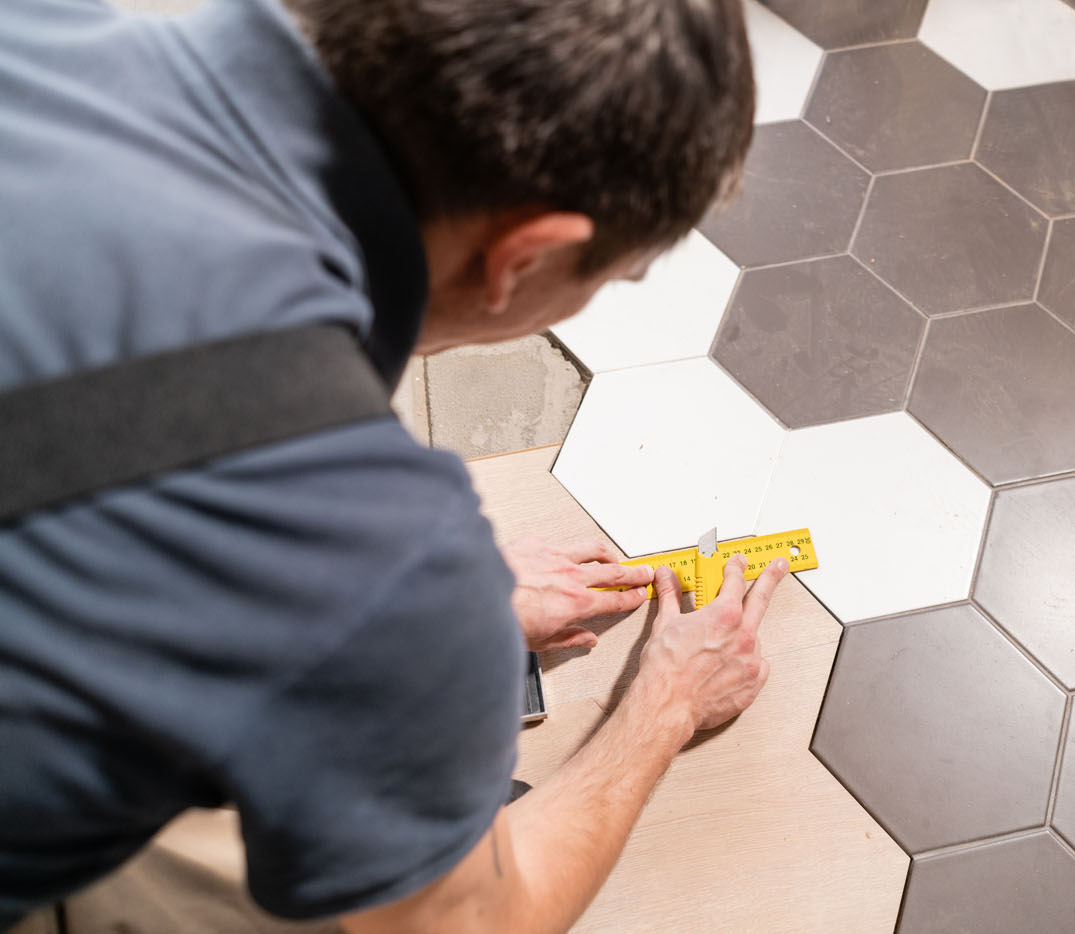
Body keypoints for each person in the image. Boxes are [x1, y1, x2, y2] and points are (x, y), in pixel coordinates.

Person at [0, 0, 786, 931]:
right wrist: (660, 703)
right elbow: (476, 924)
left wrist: (402, 619)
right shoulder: (378, 551)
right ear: (525, 256)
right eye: (604, 280)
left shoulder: (44, 29)